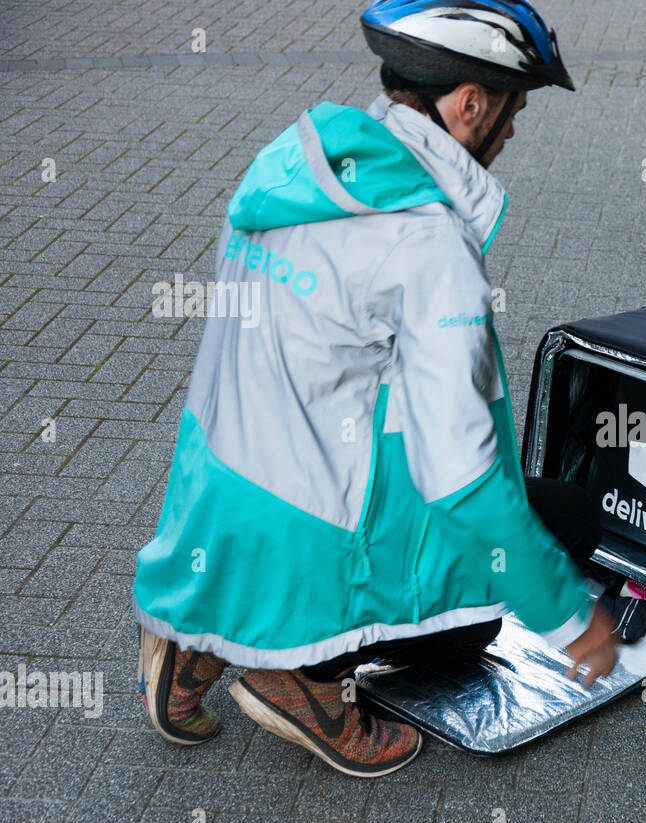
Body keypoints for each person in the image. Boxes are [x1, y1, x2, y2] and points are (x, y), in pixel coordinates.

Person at [133, 0, 618, 778]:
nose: (515, 130)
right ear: (468, 106)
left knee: (520, 519)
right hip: (317, 542)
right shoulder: (425, 242)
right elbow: (460, 481)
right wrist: (571, 618)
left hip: (215, 513)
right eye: (514, 108)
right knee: (554, 542)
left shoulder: (287, 169)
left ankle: (201, 640)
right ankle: (303, 680)